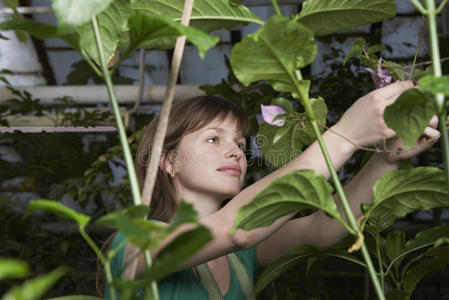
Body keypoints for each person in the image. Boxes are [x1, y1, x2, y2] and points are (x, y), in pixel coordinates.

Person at [101, 81, 439, 299]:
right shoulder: (133, 244)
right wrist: (344, 136)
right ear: (168, 161)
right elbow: (238, 228)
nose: (235, 151)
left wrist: (385, 161)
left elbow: (322, 228)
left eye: (240, 143)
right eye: (214, 138)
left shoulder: (241, 256)